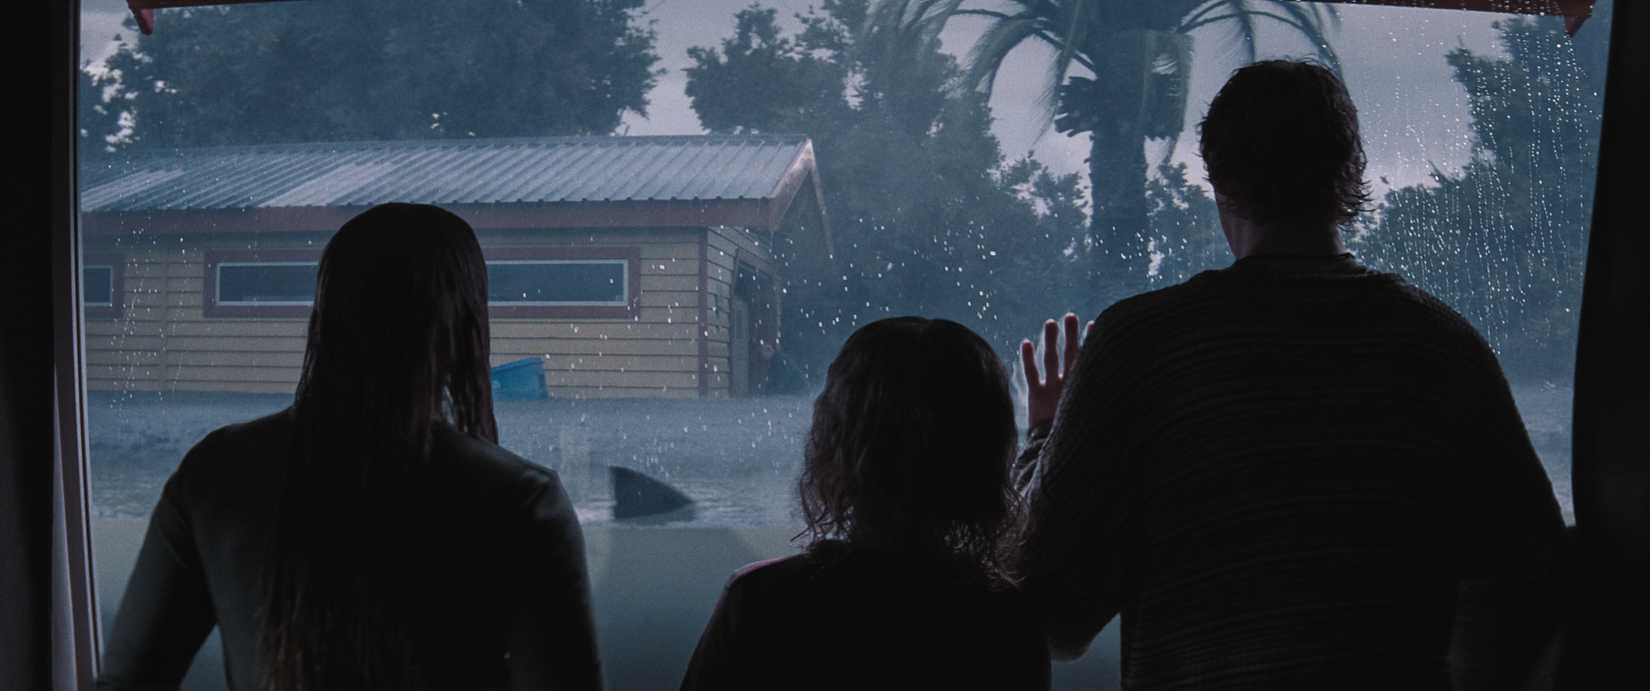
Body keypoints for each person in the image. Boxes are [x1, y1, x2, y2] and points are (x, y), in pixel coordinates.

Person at [1013, 60, 1566, 689]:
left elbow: (1054, 613)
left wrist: (1046, 438)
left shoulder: (1141, 348)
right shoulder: (1440, 345)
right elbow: (1530, 572)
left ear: (1221, 180)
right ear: (1348, 174)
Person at [97, 204, 602, 691]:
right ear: (462, 331)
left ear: (325, 318)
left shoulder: (217, 474)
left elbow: (129, 679)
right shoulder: (522, 502)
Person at [680, 317, 1050, 690]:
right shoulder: (1006, 620)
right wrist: (1045, 436)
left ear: (832, 444)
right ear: (988, 458)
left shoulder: (760, 601)